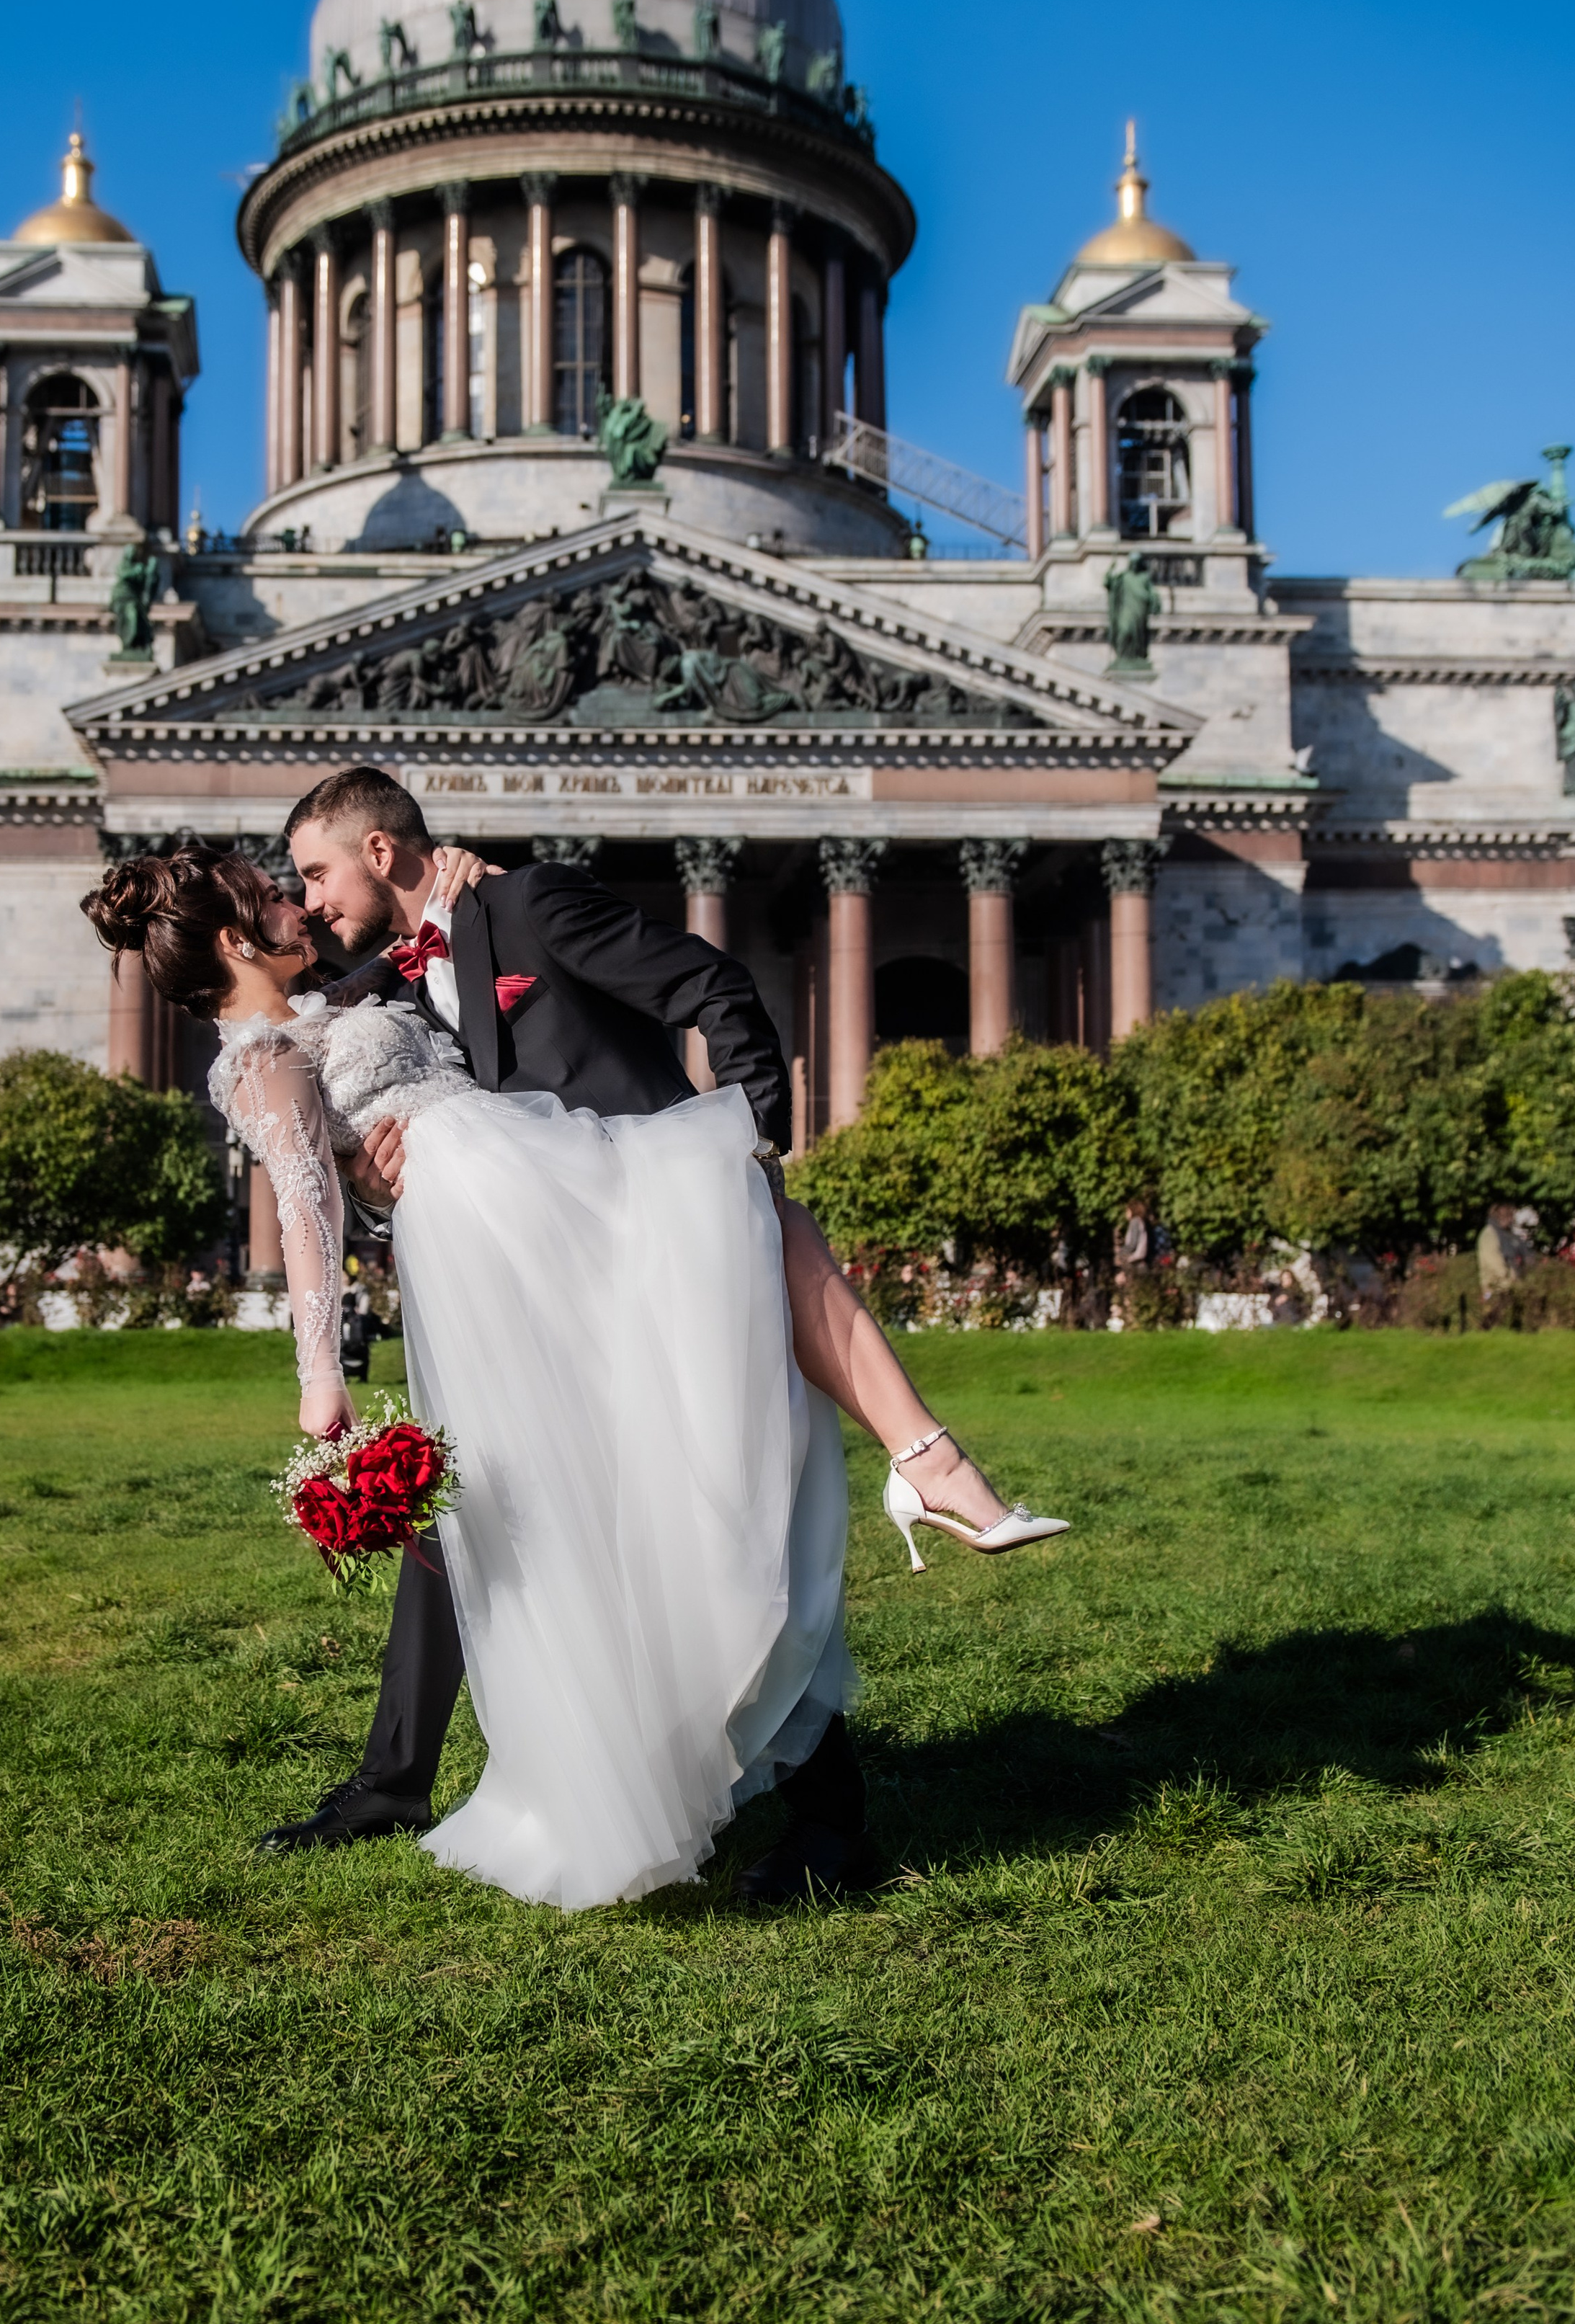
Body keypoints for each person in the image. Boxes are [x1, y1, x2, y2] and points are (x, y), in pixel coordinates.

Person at [260, 766, 1066, 1904]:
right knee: (484, 1502)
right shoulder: (386, 976)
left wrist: (749, 1150)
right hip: (541, 1281)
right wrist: (372, 1170)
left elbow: (711, 982)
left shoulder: (528, 904)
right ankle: (397, 1776)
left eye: (317, 871)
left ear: (382, 850)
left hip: (656, 1248)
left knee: (718, 1533)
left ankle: (831, 1826)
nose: (312, 896)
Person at [1477, 1203, 1532, 1309]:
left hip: (1509, 1285)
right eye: (1509, 1216)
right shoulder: (1489, 1235)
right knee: (1492, 1316)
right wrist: (1508, 1278)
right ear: (1499, 1216)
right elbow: (1494, 1262)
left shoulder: (1507, 1235)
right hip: (1495, 1288)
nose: (1511, 1220)